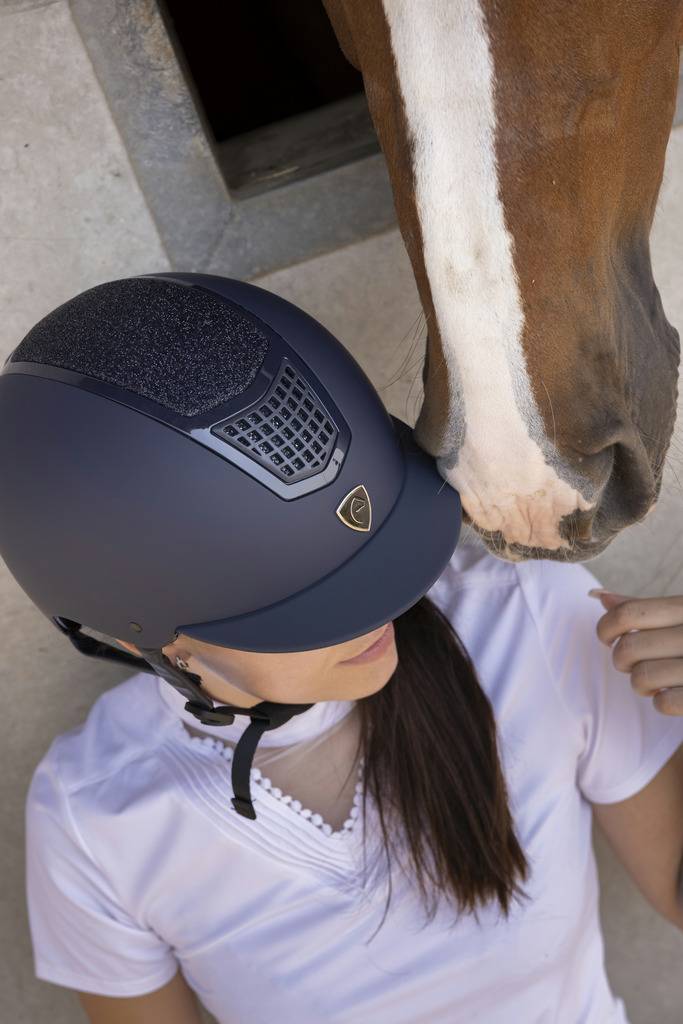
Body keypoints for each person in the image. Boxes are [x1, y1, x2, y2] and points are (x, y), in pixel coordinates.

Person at [1, 273, 681, 1024]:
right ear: (150, 635)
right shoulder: (95, 816)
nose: (379, 604)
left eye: (381, 555)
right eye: (311, 606)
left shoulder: (520, 616)